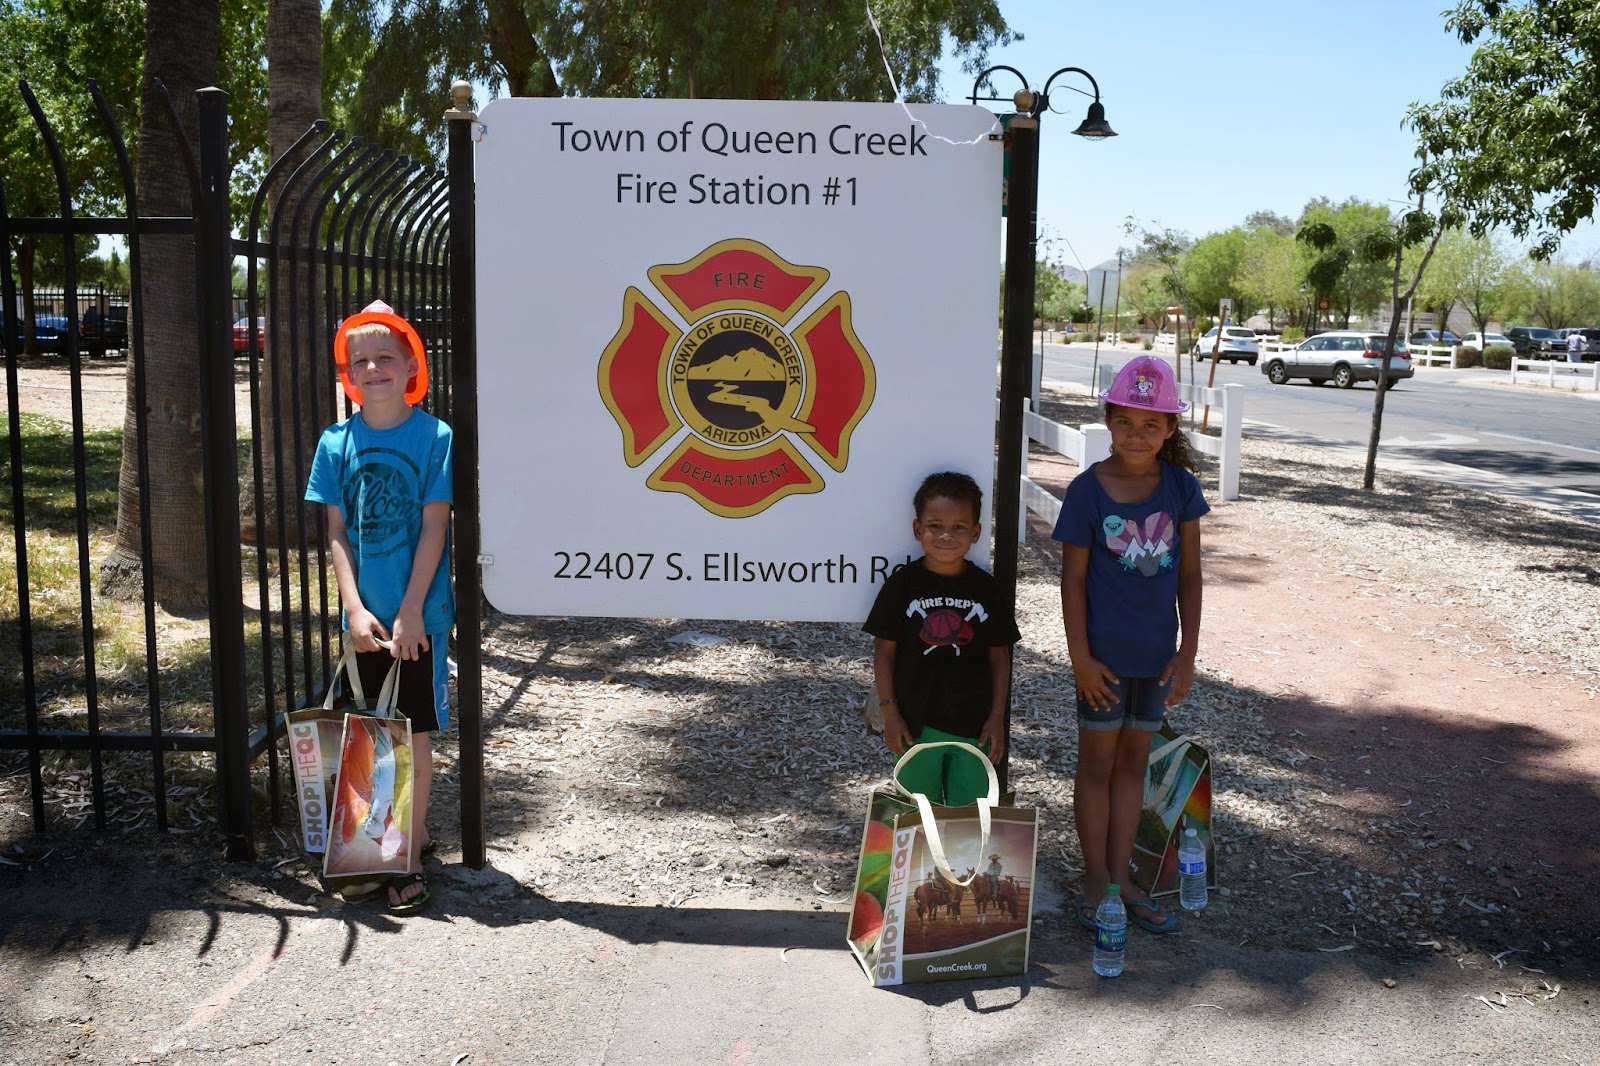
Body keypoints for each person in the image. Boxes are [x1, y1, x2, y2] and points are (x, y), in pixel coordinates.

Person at [305, 299, 454, 915]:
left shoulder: (435, 436)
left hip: (417, 616)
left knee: (412, 731)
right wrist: (354, 606)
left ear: (410, 364)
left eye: (385, 358)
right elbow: (336, 532)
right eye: (359, 360)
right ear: (348, 372)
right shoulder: (336, 441)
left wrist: (410, 610)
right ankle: (377, 842)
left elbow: (434, 526)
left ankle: (409, 856)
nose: (372, 369)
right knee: (369, 732)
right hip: (365, 617)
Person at [1052, 356, 1209, 936]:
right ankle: (1097, 879)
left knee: (1132, 767)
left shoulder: (1181, 488)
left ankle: (1123, 879)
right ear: (1108, 420)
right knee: (1096, 765)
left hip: (1156, 657)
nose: (1136, 435)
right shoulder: (1086, 492)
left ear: (1171, 430)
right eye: (1125, 421)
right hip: (1102, 663)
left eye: (1151, 424)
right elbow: (1071, 581)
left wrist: (1187, 651)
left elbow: (1190, 576)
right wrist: (1081, 660)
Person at [864, 471, 1021, 806]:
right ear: (917, 529)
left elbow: (999, 656)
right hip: (915, 725)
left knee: (970, 818)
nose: (946, 535)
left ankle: (960, 863)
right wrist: (890, 714)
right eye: (935, 525)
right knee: (916, 815)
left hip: (975, 727)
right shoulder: (902, 585)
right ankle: (921, 863)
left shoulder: (987, 589)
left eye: (959, 527)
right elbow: (883, 651)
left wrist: (996, 717)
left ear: (975, 533)